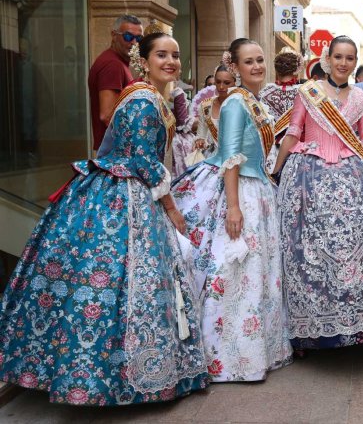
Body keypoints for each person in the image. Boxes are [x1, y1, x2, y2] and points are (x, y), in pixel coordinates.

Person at [0, 32, 208, 405]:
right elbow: (145, 161)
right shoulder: (145, 101)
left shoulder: (147, 96)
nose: (171, 61)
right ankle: (116, 378)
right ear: (143, 60)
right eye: (162, 54)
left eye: (175, 55)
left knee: (102, 280)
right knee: (122, 279)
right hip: (125, 194)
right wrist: (173, 210)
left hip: (111, 190)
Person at [273, 35, 363, 349]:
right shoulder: (308, 92)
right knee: (311, 251)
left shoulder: (361, 99)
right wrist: (275, 170)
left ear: (354, 62)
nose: (343, 63)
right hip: (308, 174)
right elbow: (293, 132)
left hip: (353, 174)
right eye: (338, 57)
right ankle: (313, 326)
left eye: (349, 58)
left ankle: (360, 321)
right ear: (328, 58)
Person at [172, 38, 293, 382]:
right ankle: (228, 357)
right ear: (235, 68)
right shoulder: (234, 105)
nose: (256, 67)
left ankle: (255, 351)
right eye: (248, 62)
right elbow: (229, 157)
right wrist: (234, 207)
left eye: (260, 60)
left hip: (258, 190)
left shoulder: (252, 101)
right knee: (235, 270)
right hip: (239, 192)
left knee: (256, 274)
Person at [88, 14, 143, 150]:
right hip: (116, 151)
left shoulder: (118, 62)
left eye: (139, 38)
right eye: (128, 37)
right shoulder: (113, 65)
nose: (134, 43)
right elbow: (107, 115)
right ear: (114, 35)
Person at [259, 48, 303, 172]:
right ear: (296, 70)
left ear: (276, 70)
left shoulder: (264, 93)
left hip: (270, 151)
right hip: (297, 149)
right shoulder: (304, 93)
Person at [194, 65, 236, 157]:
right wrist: (200, 141)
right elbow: (201, 134)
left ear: (234, 83)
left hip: (235, 158)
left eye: (226, 83)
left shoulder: (242, 105)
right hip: (211, 158)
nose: (221, 86)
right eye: (218, 82)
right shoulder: (205, 106)